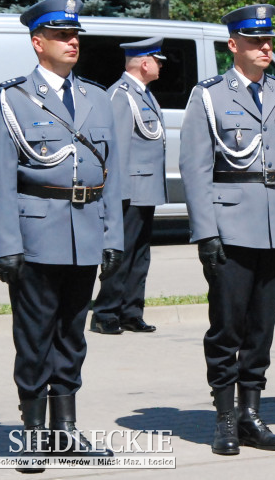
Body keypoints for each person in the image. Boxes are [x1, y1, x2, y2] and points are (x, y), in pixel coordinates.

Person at [0, 0, 124, 467]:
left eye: (75, 34)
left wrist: (112, 236)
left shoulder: (96, 97)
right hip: (36, 236)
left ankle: (65, 431)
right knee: (34, 337)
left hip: (84, 234)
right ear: (37, 42)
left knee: (72, 336)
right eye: (62, 35)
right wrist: (6, 246)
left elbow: (112, 176)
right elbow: (0, 180)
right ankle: (32, 433)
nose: (73, 42)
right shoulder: (13, 100)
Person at [179, 4, 275, 454]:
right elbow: (195, 169)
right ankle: (225, 417)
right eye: (255, 40)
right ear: (234, 45)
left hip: (274, 226)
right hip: (230, 225)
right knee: (227, 327)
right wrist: (205, 232)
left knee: (261, 329)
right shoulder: (209, 96)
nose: (265, 47)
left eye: (268, 39)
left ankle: (252, 413)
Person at [91, 37, 168, 335]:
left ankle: (131, 311)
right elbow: (117, 150)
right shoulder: (121, 96)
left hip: (145, 190)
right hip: (129, 191)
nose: (160, 65)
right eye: (157, 60)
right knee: (121, 252)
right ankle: (106, 312)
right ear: (144, 63)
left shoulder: (142, 93)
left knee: (140, 253)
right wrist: (115, 195)